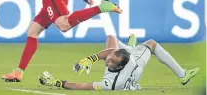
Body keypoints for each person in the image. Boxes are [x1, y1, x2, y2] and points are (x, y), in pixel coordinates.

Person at [39, 34, 199, 90]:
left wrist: (58, 83)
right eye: (110, 57)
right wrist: (91, 58)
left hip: (133, 74)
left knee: (112, 40)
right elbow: (110, 52)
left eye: (111, 61)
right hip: (134, 62)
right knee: (151, 43)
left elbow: (82, 86)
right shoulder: (127, 61)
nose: (108, 60)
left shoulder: (110, 83)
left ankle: (129, 47)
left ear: (118, 67)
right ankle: (183, 75)